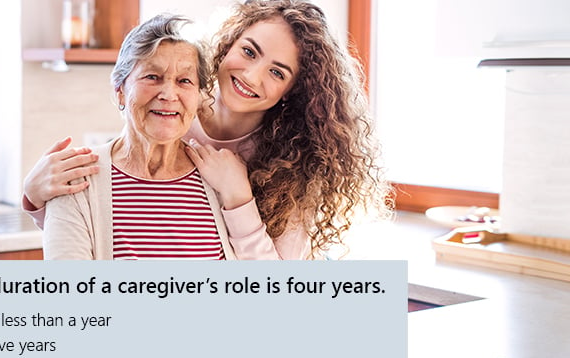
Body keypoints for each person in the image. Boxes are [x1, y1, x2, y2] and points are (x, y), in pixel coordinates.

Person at [29, 0, 393, 260]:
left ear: (292, 92)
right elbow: (98, 222)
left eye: (277, 72)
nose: (251, 75)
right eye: (249, 52)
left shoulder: (294, 169)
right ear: (228, 43)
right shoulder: (171, 113)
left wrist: (239, 199)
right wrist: (33, 196)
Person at [43, 13, 238, 260]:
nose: (169, 94)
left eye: (184, 80)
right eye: (152, 77)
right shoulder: (75, 180)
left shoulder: (220, 179)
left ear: (198, 97)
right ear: (120, 91)